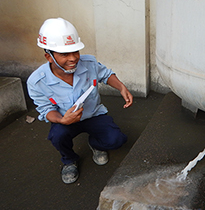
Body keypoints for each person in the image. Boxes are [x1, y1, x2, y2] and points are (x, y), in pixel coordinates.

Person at [27, 18, 133, 184]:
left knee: (117, 139)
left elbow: (105, 74)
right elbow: (46, 109)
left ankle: (96, 144)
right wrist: (62, 119)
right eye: (64, 54)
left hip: (94, 114)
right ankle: (69, 160)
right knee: (57, 135)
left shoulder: (89, 63)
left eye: (75, 51)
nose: (73, 58)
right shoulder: (37, 82)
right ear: (49, 56)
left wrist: (121, 87)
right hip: (66, 120)